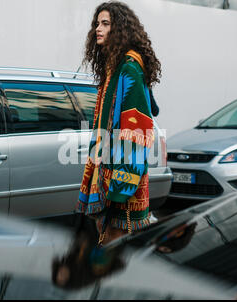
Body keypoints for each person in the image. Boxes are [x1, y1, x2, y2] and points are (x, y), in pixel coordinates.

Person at [74, 1, 162, 246]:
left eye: (105, 24)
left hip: (120, 184)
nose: (97, 30)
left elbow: (137, 131)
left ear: (120, 29)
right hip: (106, 173)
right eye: (96, 24)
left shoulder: (129, 69)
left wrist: (121, 188)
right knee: (108, 248)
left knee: (114, 252)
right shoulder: (113, 67)